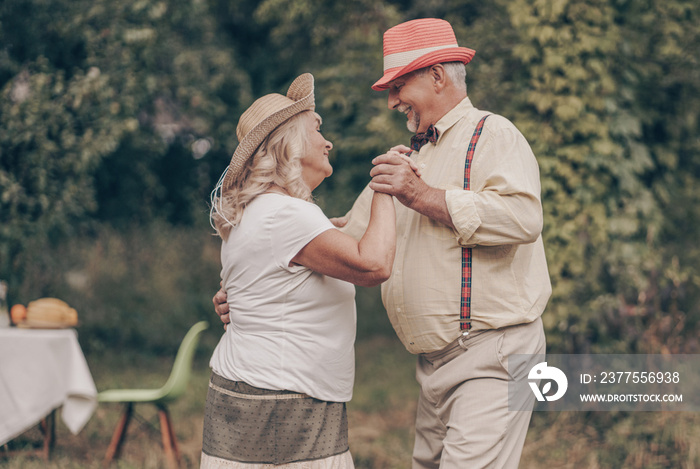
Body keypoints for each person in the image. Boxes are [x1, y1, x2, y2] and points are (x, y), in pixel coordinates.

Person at [215, 19, 551, 468]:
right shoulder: (408, 158)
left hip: (495, 353)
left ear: (437, 76)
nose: (392, 100)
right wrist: (254, 284)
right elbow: (336, 238)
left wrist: (422, 196)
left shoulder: (493, 135)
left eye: (398, 85)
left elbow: (523, 217)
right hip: (434, 365)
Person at [202, 73, 401, 469]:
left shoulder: (258, 212)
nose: (328, 141)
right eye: (317, 128)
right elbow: (374, 264)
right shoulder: (286, 214)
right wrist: (385, 187)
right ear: (289, 143)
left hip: (257, 390)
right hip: (284, 397)